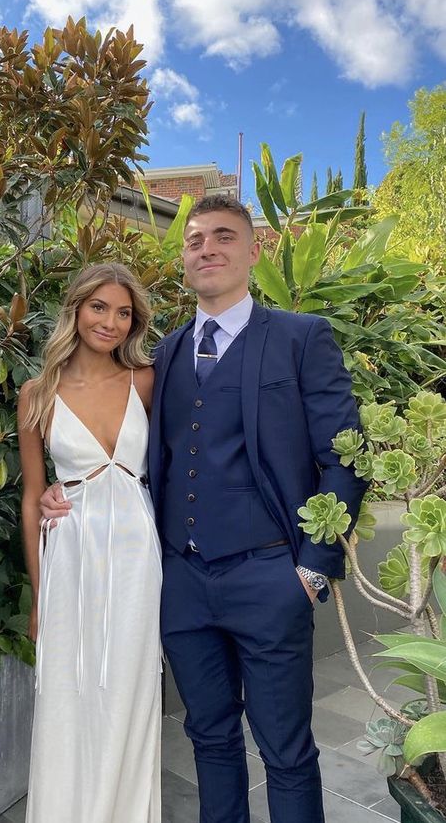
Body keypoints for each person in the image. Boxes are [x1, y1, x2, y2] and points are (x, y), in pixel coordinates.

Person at [40, 196, 368, 823]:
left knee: (287, 751)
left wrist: (313, 569)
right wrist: (67, 490)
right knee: (209, 739)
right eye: (194, 240)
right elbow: (124, 452)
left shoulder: (302, 338)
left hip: (272, 576)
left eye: (224, 236)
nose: (207, 249)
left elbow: (344, 457)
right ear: (184, 259)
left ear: (253, 251)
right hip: (182, 582)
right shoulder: (160, 356)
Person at [17, 263, 162, 823]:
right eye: (99, 307)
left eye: (124, 312)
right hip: (70, 558)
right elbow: (33, 498)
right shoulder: (37, 393)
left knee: (129, 687)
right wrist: (37, 596)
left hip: (136, 554)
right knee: (69, 690)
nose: (111, 321)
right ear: (75, 310)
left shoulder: (146, 380)